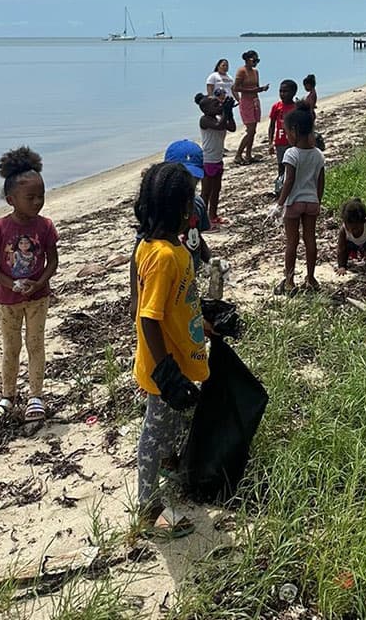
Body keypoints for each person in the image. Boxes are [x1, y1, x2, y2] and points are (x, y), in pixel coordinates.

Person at [130, 161, 209, 539]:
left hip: (180, 357)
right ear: (179, 210)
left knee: (173, 425)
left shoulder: (162, 249)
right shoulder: (160, 256)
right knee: (154, 432)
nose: (192, 212)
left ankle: (171, 466)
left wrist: (208, 323)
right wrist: (165, 371)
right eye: (189, 204)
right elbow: (147, 316)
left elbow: (177, 304)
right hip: (166, 366)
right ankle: (148, 506)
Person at [0, 146, 59, 425]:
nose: (37, 202)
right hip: (7, 299)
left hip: (38, 297)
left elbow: (52, 261)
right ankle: (7, 396)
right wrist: (11, 284)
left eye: (41, 196)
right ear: (11, 199)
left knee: (35, 344)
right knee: (11, 346)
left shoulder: (45, 226)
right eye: (30, 197)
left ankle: (36, 395)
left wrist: (39, 282)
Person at [273, 103, 325, 294]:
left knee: (292, 242)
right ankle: (311, 278)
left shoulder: (291, 153)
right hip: (311, 201)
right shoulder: (318, 155)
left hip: (293, 202)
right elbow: (321, 182)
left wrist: (279, 204)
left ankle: (289, 281)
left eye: (286, 132)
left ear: (293, 131)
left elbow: (289, 181)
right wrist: (318, 201)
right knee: (310, 240)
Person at [195, 94, 236, 226]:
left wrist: (229, 112)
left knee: (216, 189)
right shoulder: (204, 120)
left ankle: (213, 216)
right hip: (208, 160)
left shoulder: (219, 118)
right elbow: (219, 126)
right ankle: (201, 220)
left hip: (218, 159)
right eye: (216, 105)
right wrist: (225, 110)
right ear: (206, 110)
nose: (219, 106)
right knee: (206, 192)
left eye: (220, 103)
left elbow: (232, 127)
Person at [233, 50, 269, 165]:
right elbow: (236, 88)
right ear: (248, 59)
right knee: (250, 130)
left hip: (255, 101)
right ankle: (238, 155)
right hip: (246, 102)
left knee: (253, 131)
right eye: (254, 60)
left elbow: (256, 87)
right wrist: (251, 90)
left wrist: (261, 89)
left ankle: (248, 155)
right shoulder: (241, 71)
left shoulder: (255, 72)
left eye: (257, 60)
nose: (256, 63)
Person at [267, 79, 298, 179]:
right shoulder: (276, 107)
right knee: (281, 166)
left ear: (293, 93)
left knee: (294, 165)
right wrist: (270, 143)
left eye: (285, 91)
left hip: (293, 142)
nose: (282, 94)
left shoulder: (296, 107)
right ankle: (280, 187)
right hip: (280, 143)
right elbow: (272, 125)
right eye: (280, 91)